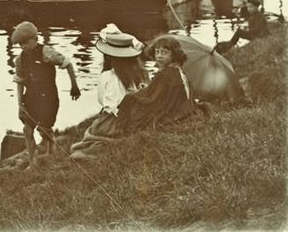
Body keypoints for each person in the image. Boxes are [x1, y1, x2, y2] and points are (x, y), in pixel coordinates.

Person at [69, 25, 149, 161]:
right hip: (137, 117)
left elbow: (105, 103)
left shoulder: (108, 75)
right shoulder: (141, 72)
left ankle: (94, 151)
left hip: (117, 120)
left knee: (94, 133)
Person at [11, 21, 80, 168]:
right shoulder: (20, 60)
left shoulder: (46, 52)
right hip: (30, 97)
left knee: (44, 130)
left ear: (36, 39)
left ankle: (50, 146)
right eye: (20, 44)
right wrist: (20, 103)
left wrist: (74, 86)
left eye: (26, 42)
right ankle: (32, 163)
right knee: (27, 130)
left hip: (48, 98)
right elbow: (19, 81)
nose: (23, 46)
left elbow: (67, 63)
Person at [116, 35, 197, 132]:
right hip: (182, 108)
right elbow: (160, 91)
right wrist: (148, 87)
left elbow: (152, 98)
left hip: (173, 111)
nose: (159, 56)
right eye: (157, 52)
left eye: (164, 52)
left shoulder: (166, 74)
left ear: (174, 55)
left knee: (129, 99)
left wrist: (135, 95)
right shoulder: (177, 69)